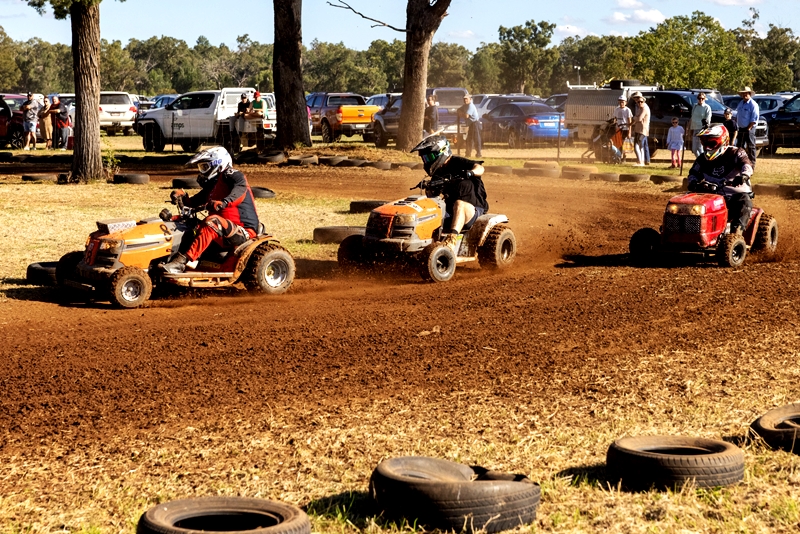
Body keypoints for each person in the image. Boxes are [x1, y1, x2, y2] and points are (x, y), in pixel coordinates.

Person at [160, 146, 260, 274]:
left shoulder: (233, 174)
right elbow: (192, 204)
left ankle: (181, 262)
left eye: (205, 167)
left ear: (218, 164)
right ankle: (166, 256)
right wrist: (182, 196)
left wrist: (224, 202)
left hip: (244, 231)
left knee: (212, 222)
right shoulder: (212, 187)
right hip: (222, 229)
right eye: (201, 167)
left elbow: (240, 190)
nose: (202, 172)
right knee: (184, 222)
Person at [410, 135, 488, 252]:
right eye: (425, 158)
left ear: (442, 151)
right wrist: (430, 189)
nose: (427, 161)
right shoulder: (438, 173)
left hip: (474, 210)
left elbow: (480, 168)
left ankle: (451, 240)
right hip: (451, 212)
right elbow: (433, 199)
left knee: (459, 204)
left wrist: (470, 173)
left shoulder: (457, 162)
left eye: (429, 157)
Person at [686, 125, 753, 235]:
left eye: (711, 143)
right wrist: (693, 182)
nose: (707, 147)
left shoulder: (736, 152)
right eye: (704, 143)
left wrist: (744, 176)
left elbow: (746, 165)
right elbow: (693, 173)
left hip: (733, 196)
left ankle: (737, 232)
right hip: (710, 195)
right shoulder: (702, 159)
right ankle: (684, 229)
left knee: (744, 201)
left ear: (724, 141)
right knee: (688, 200)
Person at [735, 86, 759, 167]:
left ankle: (752, 164)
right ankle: (740, 163)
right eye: (743, 93)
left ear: (749, 94)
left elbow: (754, 119)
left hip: (749, 129)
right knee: (739, 147)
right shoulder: (741, 103)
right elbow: (738, 114)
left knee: (751, 147)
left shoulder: (753, 105)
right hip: (741, 128)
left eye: (746, 93)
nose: (744, 95)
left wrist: (748, 128)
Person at [630, 91, 650, 166]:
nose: (639, 102)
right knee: (641, 146)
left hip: (642, 130)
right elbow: (637, 118)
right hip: (638, 129)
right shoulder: (639, 108)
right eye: (637, 101)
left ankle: (641, 161)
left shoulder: (644, 108)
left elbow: (639, 118)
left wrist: (634, 118)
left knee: (637, 145)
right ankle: (642, 161)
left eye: (641, 101)